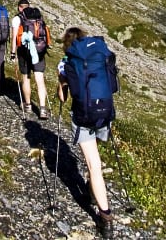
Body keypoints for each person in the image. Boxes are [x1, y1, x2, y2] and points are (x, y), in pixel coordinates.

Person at [57, 27, 114, 239]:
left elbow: (63, 98)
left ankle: (105, 217)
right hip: (103, 113)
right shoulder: (98, 55)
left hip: (82, 116)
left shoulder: (67, 61)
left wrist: (61, 82)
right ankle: (92, 192)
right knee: (96, 162)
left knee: (93, 164)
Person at [10, 0, 50, 119]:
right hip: (39, 52)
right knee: (40, 79)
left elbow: (14, 38)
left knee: (26, 78)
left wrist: (13, 53)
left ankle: (27, 105)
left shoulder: (17, 19)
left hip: (24, 52)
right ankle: (43, 109)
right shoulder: (38, 17)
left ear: (19, 7)